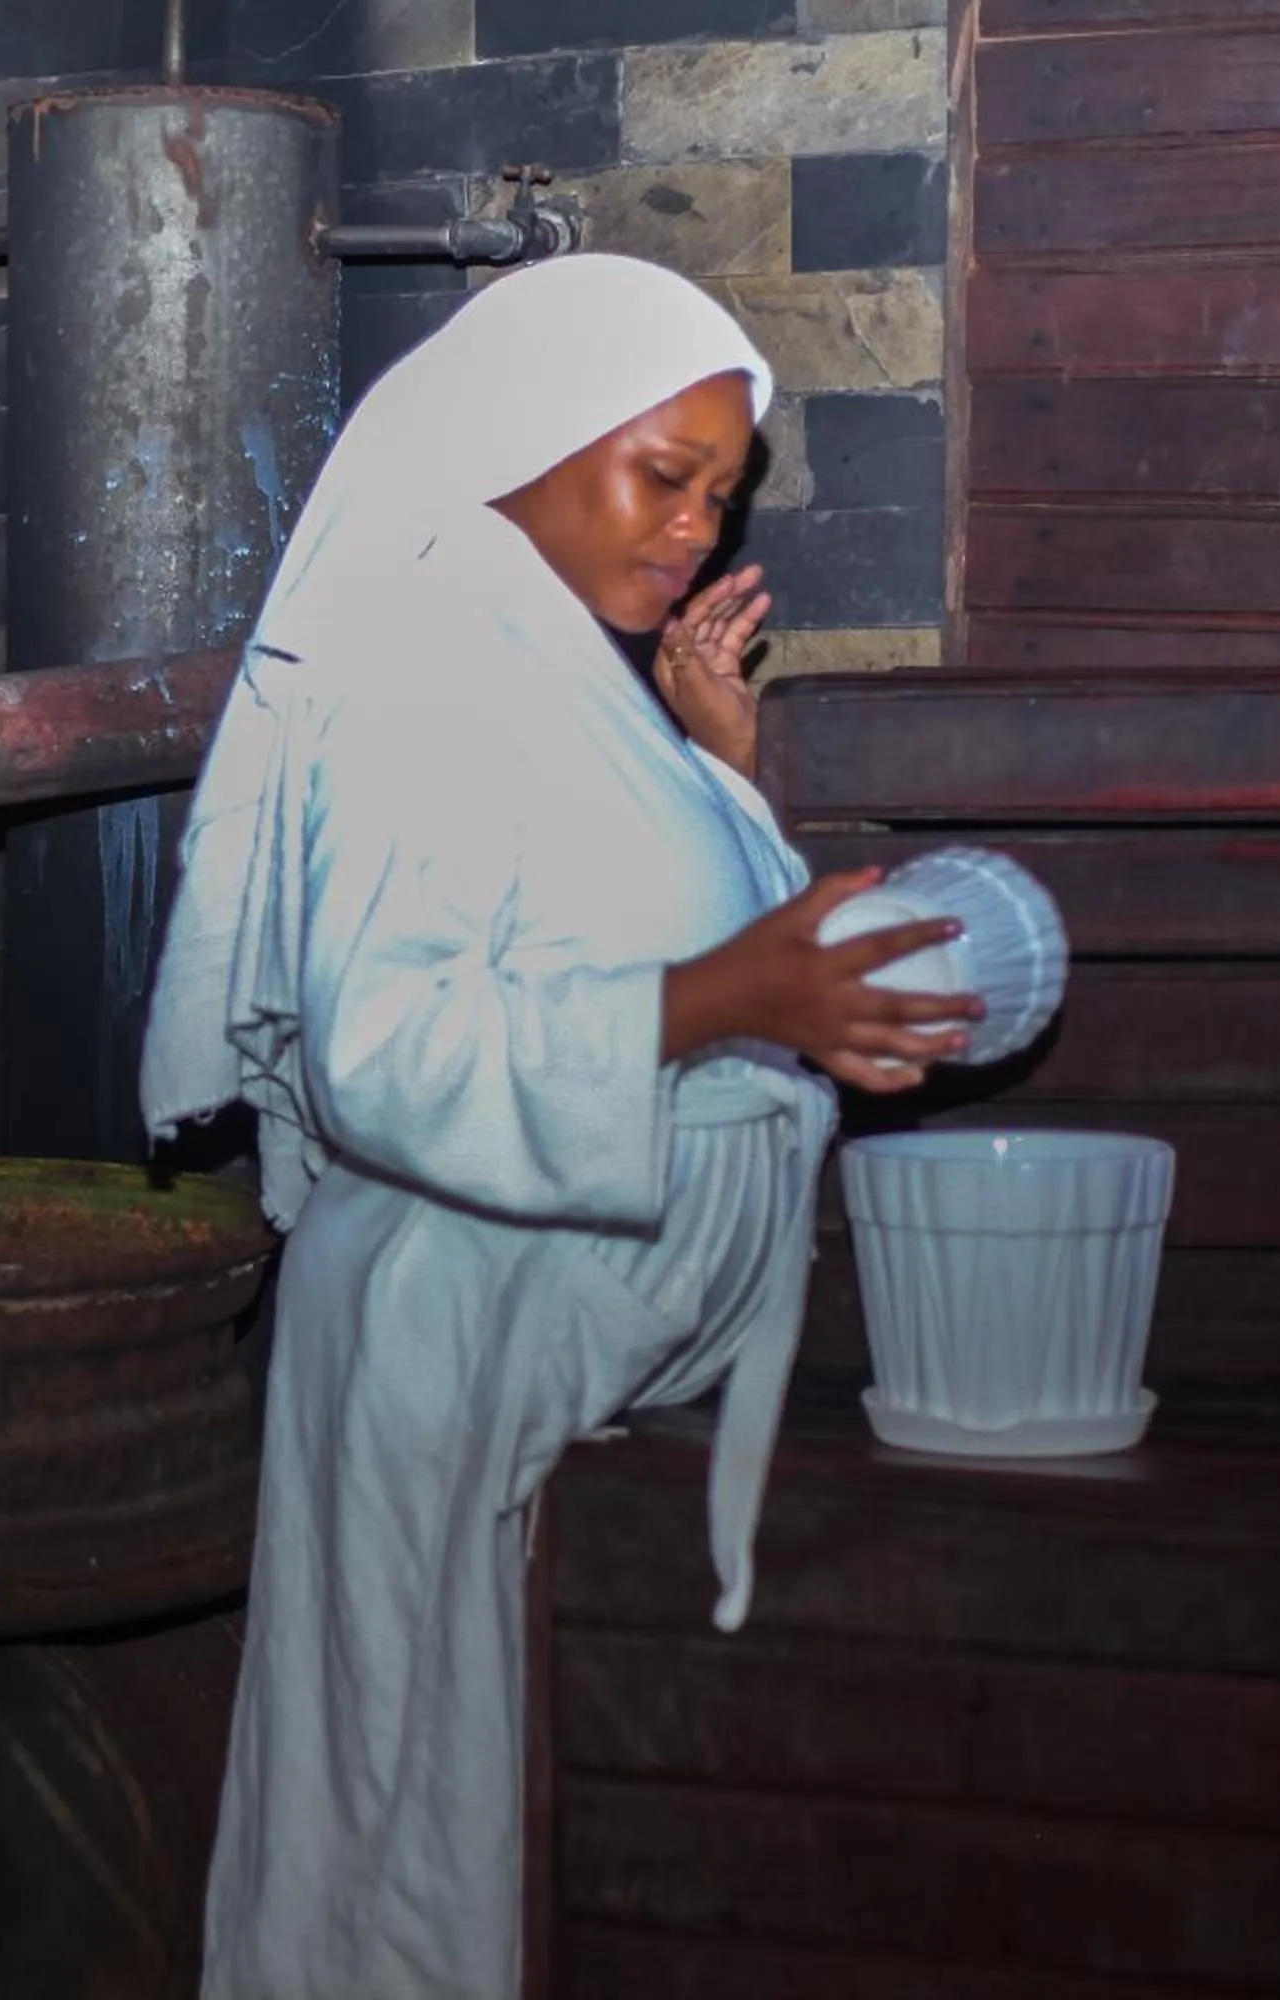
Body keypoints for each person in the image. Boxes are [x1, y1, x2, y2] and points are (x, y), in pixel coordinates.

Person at [140, 254, 981, 1997]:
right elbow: (395, 1045)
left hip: (562, 1330)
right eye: (656, 474)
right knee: (406, 1835)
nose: (691, 526)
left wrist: (718, 767)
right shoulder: (425, 655)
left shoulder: (560, 663)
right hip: (451, 1338)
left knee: (460, 1810)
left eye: (719, 495)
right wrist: (743, 1003)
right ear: (524, 436)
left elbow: (632, 928)